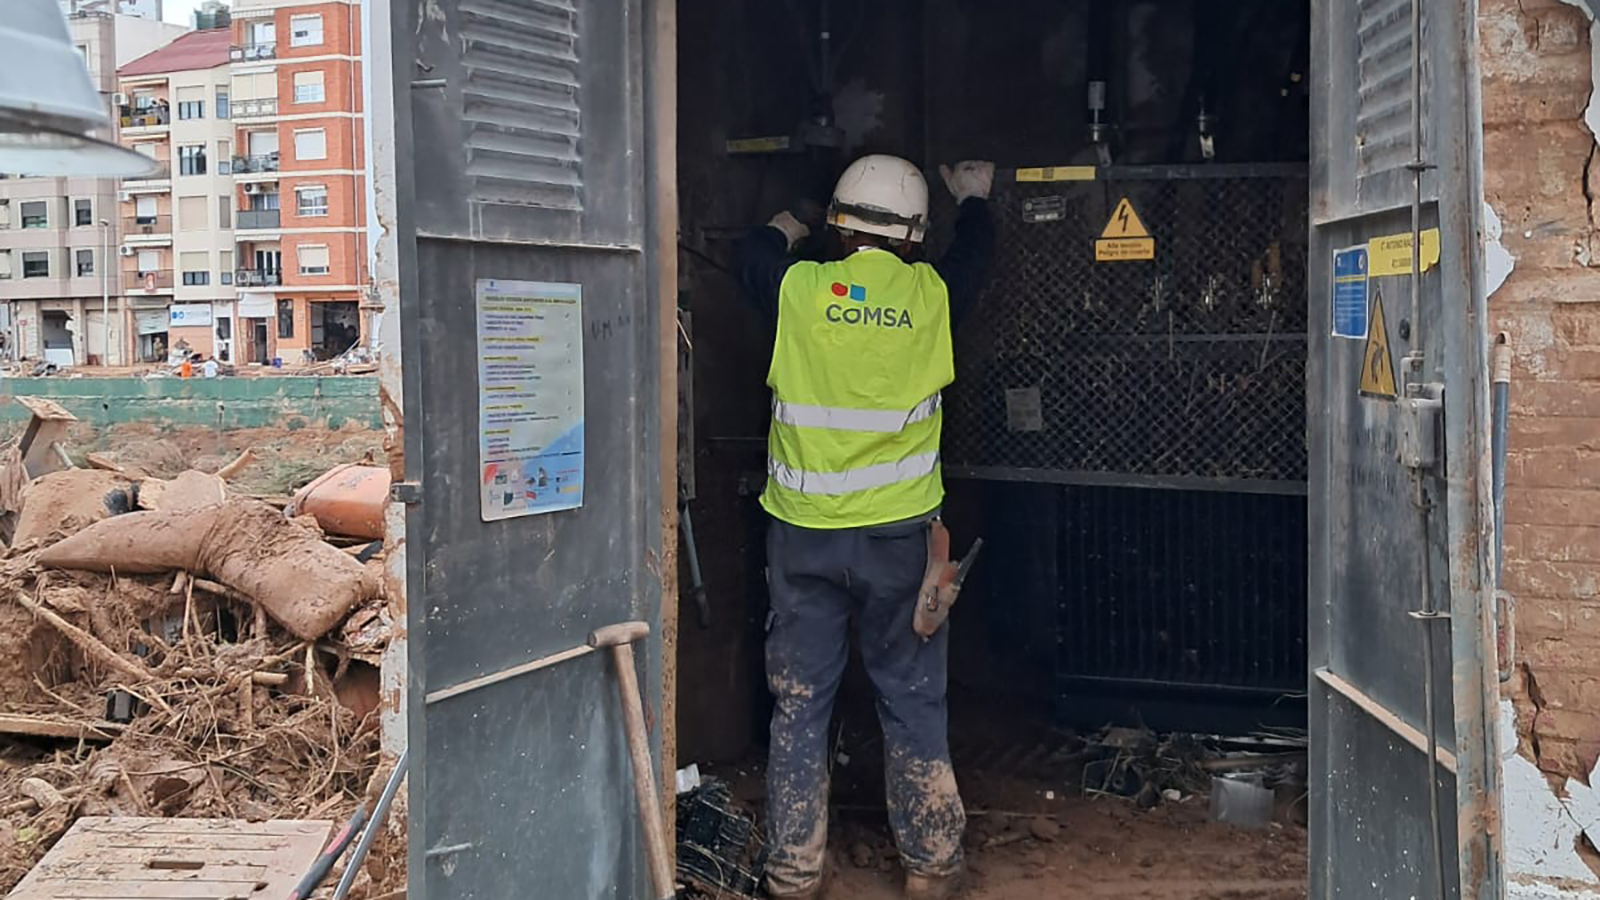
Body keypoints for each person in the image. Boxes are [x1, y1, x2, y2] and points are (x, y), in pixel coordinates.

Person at [736, 155, 995, 900]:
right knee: (911, 698)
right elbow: (974, 255)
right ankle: (931, 867)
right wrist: (974, 199)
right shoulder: (933, 294)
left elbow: (751, 252)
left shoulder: (798, 288)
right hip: (898, 544)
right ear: (914, 235)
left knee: (800, 701)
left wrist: (793, 221)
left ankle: (792, 873)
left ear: (840, 227)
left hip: (803, 537)